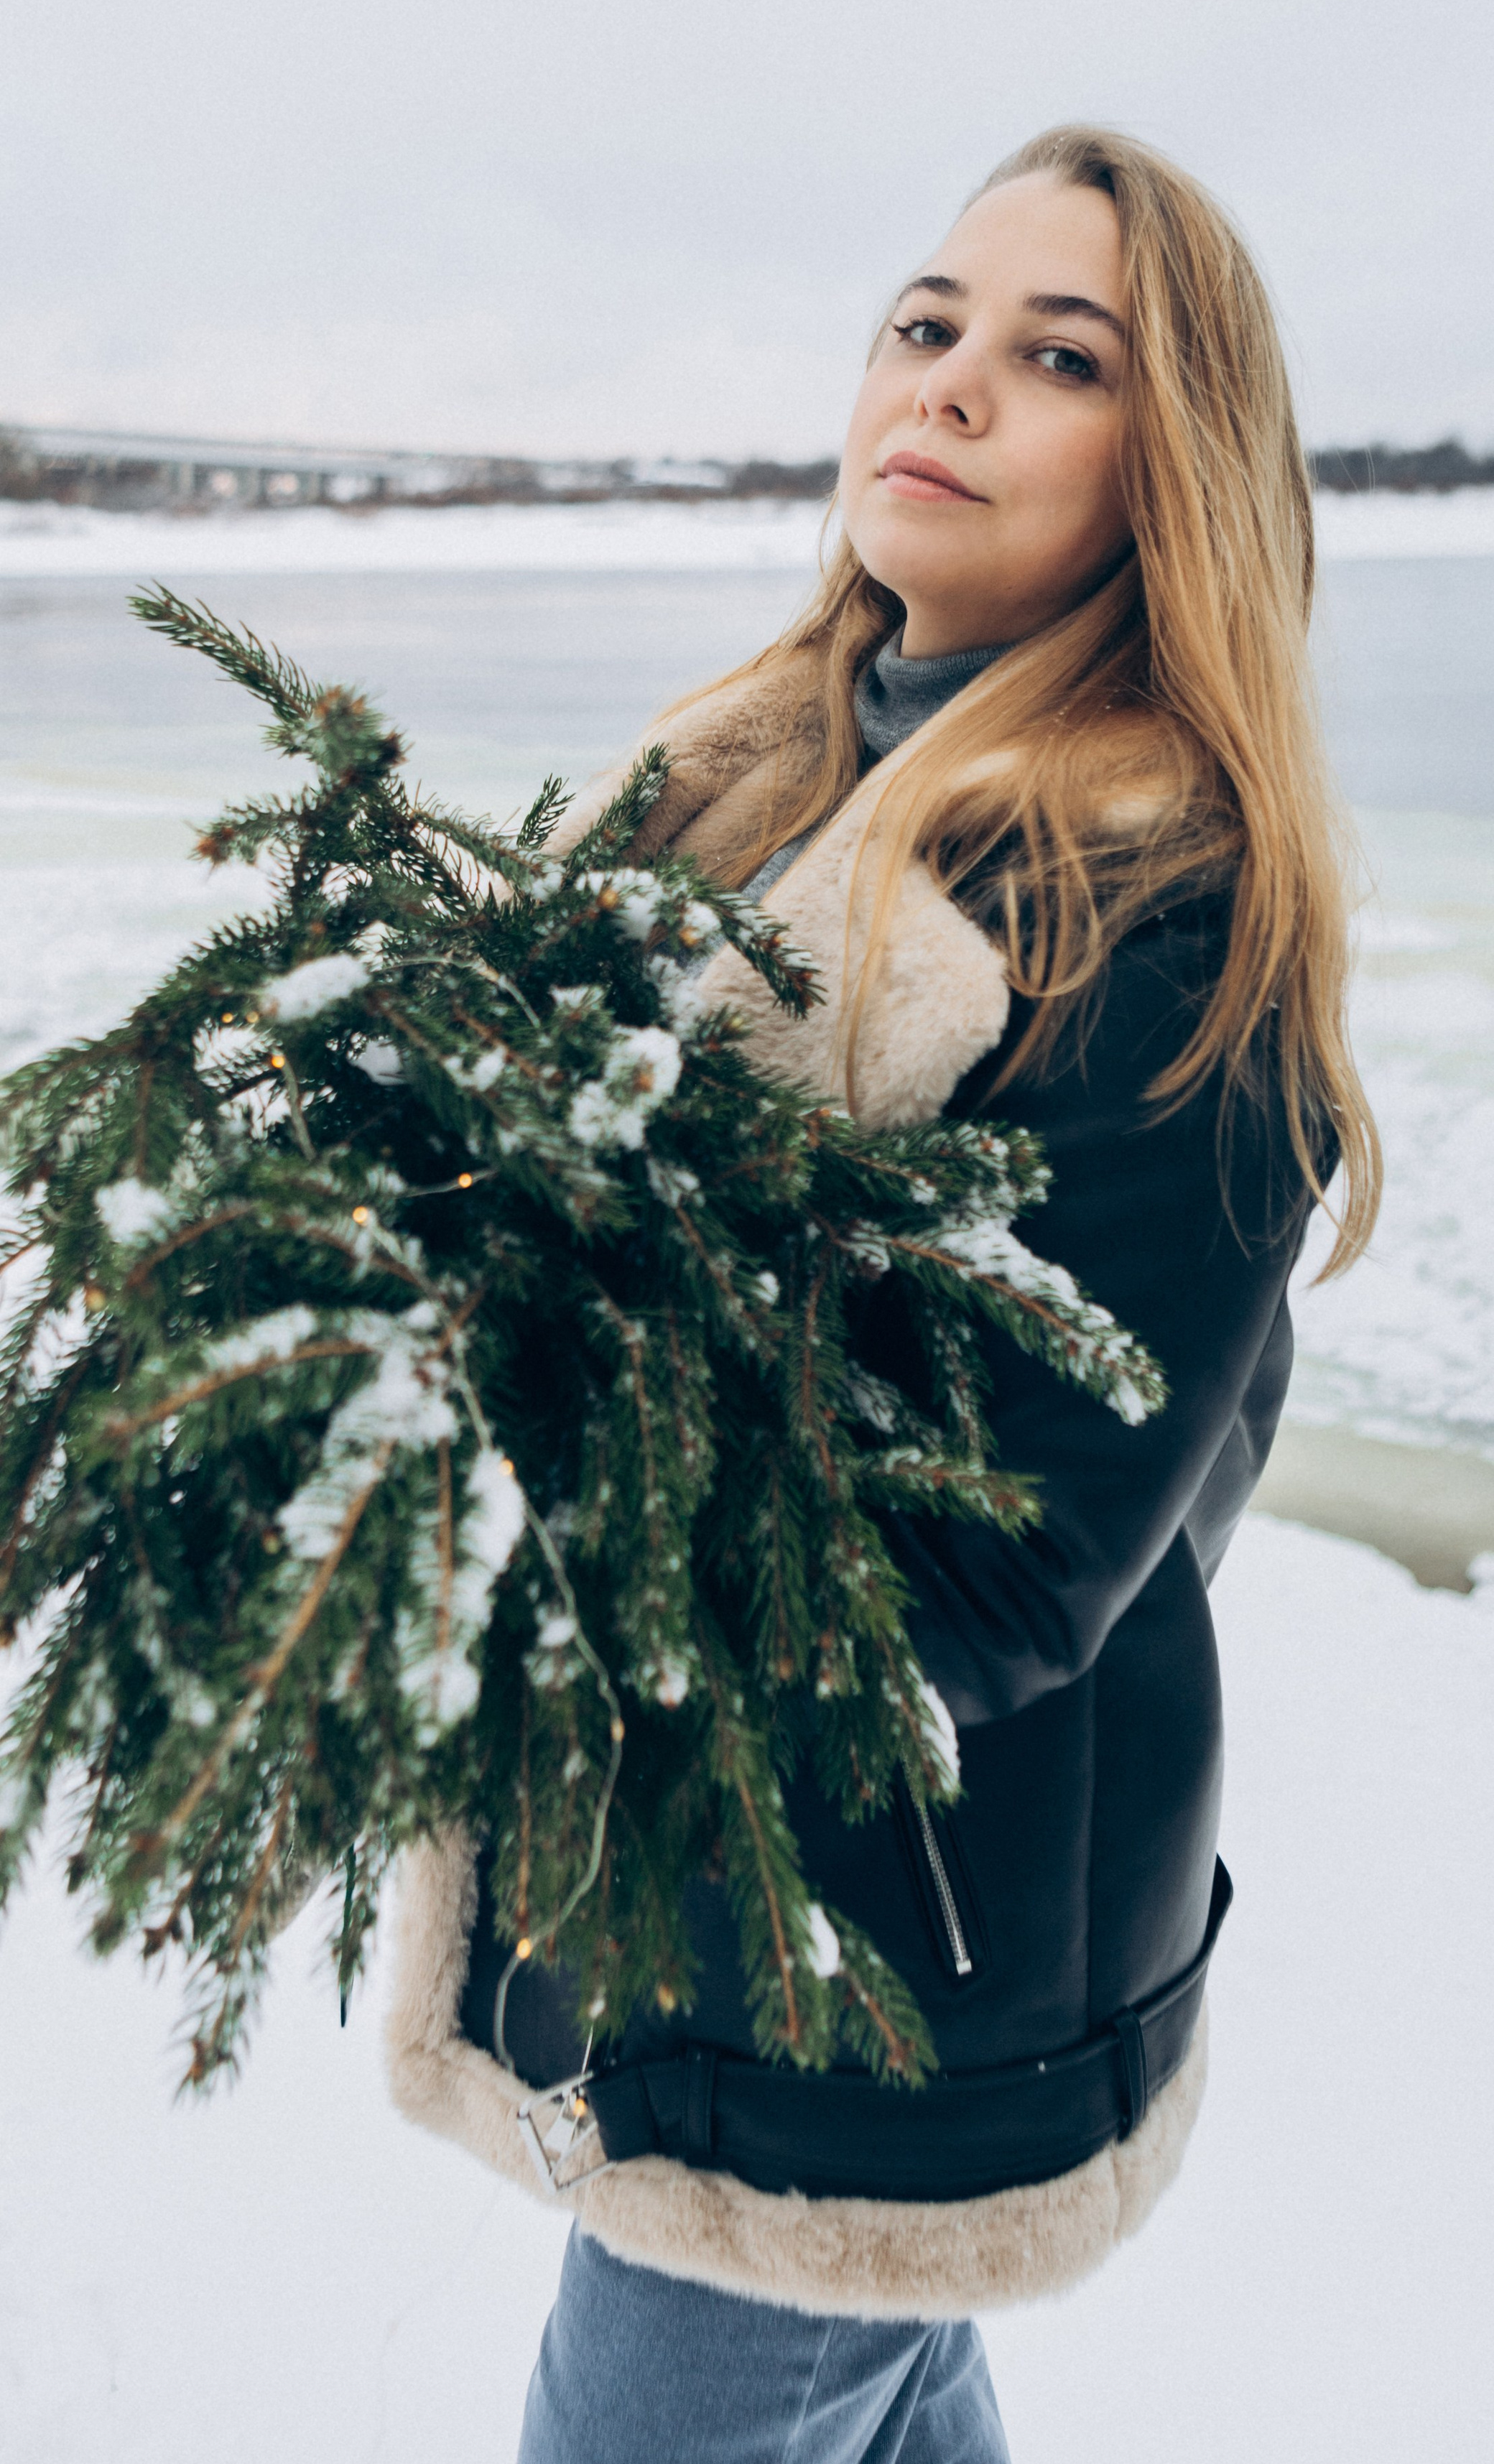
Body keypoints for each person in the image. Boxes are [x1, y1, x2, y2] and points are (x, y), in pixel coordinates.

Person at [384, 124, 1379, 2462]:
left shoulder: (1162, 915)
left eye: (1057, 356)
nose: (945, 382)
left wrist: (522, 1467)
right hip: (726, 1915)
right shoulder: (744, 793)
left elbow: (990, 1560)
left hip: (882, 1989)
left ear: (1175, 472)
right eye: (924, 324)